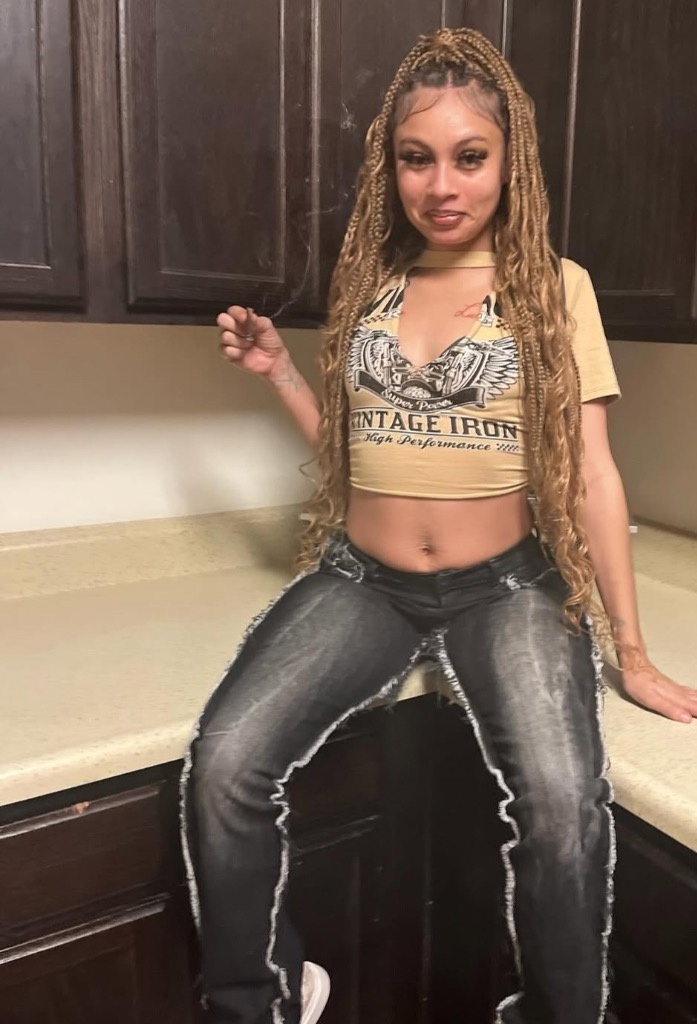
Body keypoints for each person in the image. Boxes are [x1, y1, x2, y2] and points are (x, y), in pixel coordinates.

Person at [181, 27, 697, 1024]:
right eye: (416, 158)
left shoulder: (553, 289)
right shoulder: (369, 286)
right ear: (392, 166)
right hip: (362, 581)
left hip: (506, 586)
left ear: (509, 163)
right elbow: (358, 452)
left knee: (561, 803)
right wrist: (280, 374)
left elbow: (591, 473)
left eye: (469, 156)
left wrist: (630, 653)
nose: (441, 184)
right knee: (225, 762)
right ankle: (262, 1001)